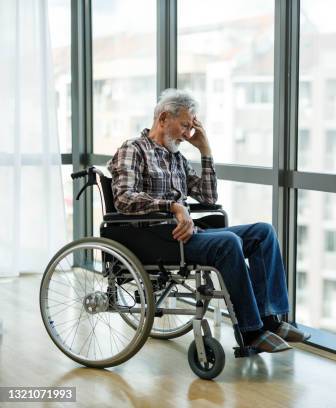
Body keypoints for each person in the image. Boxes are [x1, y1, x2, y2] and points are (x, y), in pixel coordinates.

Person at [108, 88, 309, 353]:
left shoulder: (176, 157)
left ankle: (270, 320)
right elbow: (124, 198)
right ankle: (251, 332)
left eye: (191, 127)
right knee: (228, 242)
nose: (187, 134)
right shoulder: (133, 149)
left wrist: (205, 150)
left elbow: (209, 197)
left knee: (264, 232)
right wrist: (173, 205)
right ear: (164, 118)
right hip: (156, 238)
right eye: (184, 126)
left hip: (186, 233)